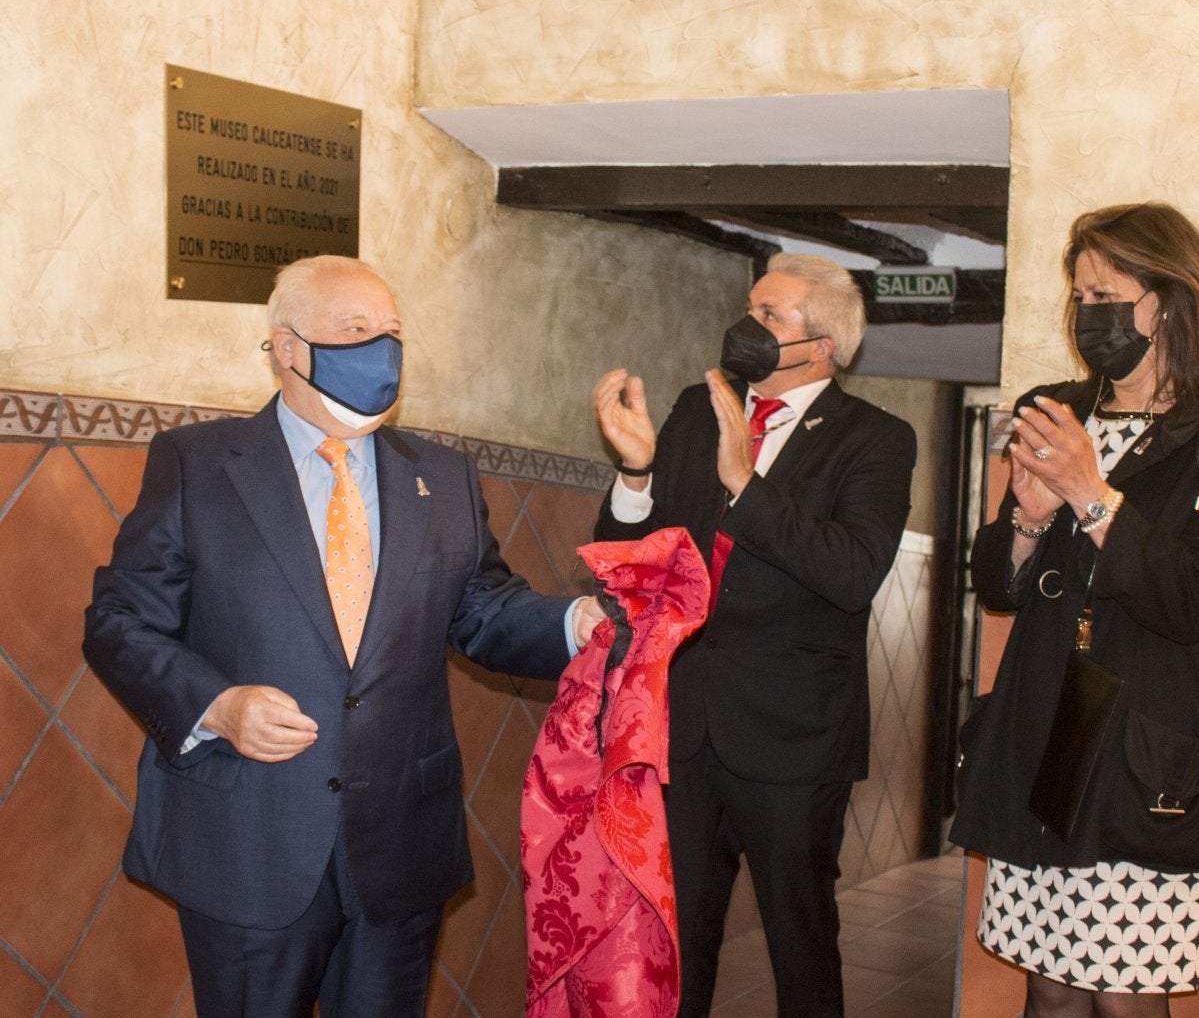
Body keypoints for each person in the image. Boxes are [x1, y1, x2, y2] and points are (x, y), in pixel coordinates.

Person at [83, 254, 603, 1018]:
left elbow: (484, 610)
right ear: (288, 347)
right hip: (250, 840)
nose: (382, 350)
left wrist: (574, 622)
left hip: (398, 842)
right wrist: (216, 705)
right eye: (356, 330)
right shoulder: (197, 465)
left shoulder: (443, 476)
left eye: (392, 332)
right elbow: (119, 622)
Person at [950, 203, 1199, 1017]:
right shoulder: (1057, 410)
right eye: (1079, 296)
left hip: (1145, 751)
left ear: (1172, 300)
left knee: (1125, 999)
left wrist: (1091, 494)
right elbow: (999, 590)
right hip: (1044, 735)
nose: (1089, 317)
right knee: (1050, 992)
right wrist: (1030, 520)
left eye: (1107, 294)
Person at [591, 253, 917, 1018]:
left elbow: (852, 571)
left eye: (771, 316)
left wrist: (746, 483)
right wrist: (636, 475)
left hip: (795, 737)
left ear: (822, 345)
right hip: (687, 725)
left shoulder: (876, 439)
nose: (748, 326)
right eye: (751, 308)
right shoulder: (695, 409)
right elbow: (632, 561)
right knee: (677, 943)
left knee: (801, 946)